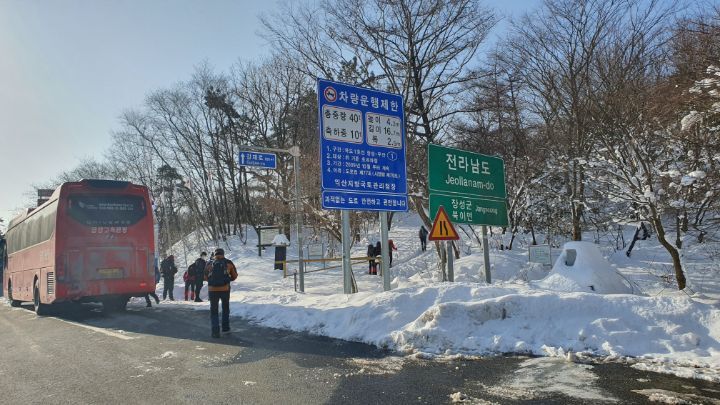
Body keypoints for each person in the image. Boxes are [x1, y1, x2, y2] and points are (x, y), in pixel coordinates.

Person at [204, 248, 238, 338]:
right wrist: (227, 279)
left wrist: (212, 282)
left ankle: (215, 332)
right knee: (225, 308)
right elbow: (235, 276)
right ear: (223, 254)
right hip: (225, 289)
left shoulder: (209, 263)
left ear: (215, 254)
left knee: (214, 310)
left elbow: (205, 277)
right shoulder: (228, 263)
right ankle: (225, 329)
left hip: (212, 290)